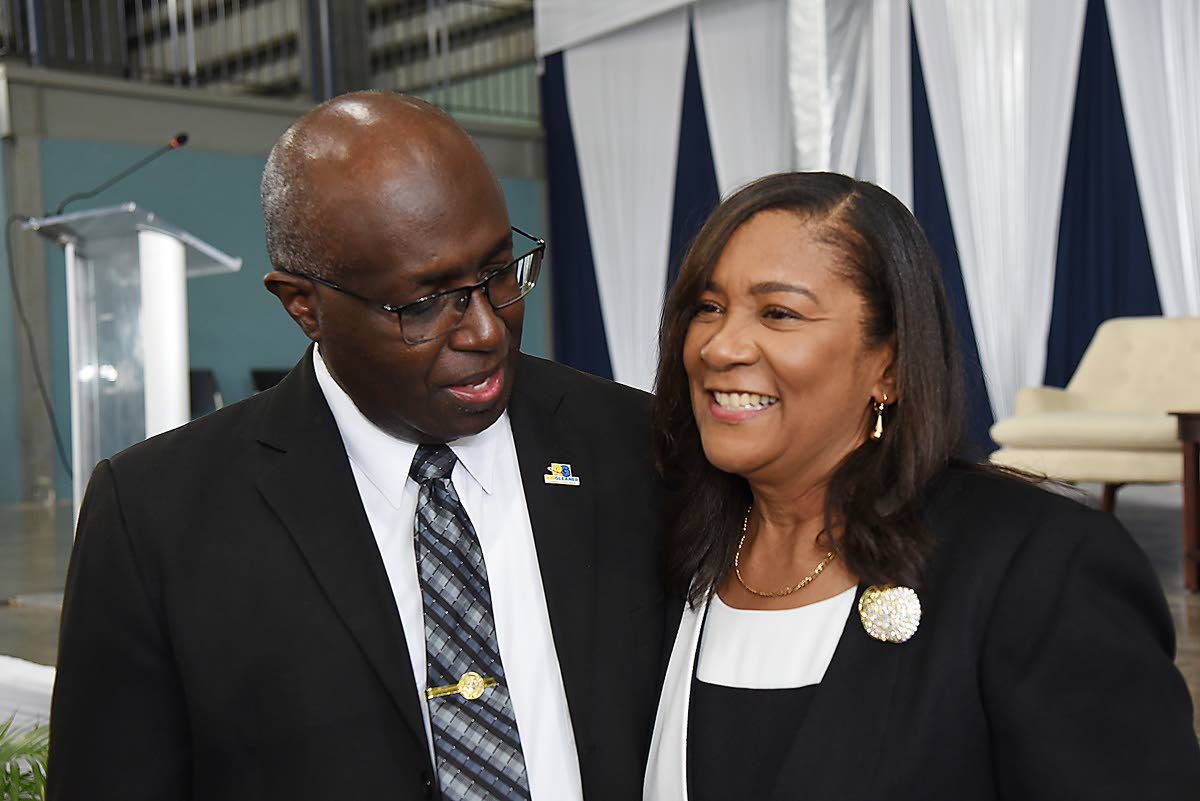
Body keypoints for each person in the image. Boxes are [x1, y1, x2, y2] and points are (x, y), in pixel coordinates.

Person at [48, 92, 670, 801]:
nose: (486, 331)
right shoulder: (156, 520)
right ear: (303, 304)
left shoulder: (634, 446)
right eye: (425, 302)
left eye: (499, 272)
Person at [644, 172, 1200, 800]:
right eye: (708, 308)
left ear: (891, 364)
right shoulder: (658, 556)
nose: (720, 347)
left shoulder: (1040, 566)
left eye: (779, 313)